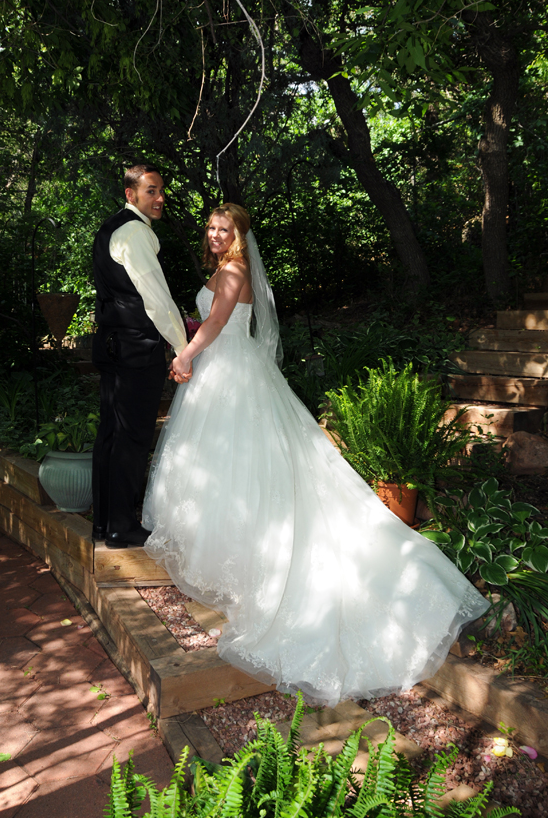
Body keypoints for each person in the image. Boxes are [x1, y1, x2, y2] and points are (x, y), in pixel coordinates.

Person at [142, 204, 489, 705]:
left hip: (230, 371)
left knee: (246, 464)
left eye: (225, 228)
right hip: (221, 370)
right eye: (212, 228)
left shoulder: (235, 270)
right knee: (224, 468)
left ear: (240, 235)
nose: (216, 235)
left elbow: (216, 323)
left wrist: (184, 355)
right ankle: (231, 555)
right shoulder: (222, 268)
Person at [91, 165, 188, 549]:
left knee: (111, 436)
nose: (160, 197)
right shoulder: (134, 232)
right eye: (152, 191)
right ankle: (121, 527)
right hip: (135, 348)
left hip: (112, 345)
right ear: (131, 195)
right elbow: (157, 299)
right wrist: (183, 348)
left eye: (162, 190)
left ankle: (104, 524)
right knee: (131, 439)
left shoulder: (110, 228)